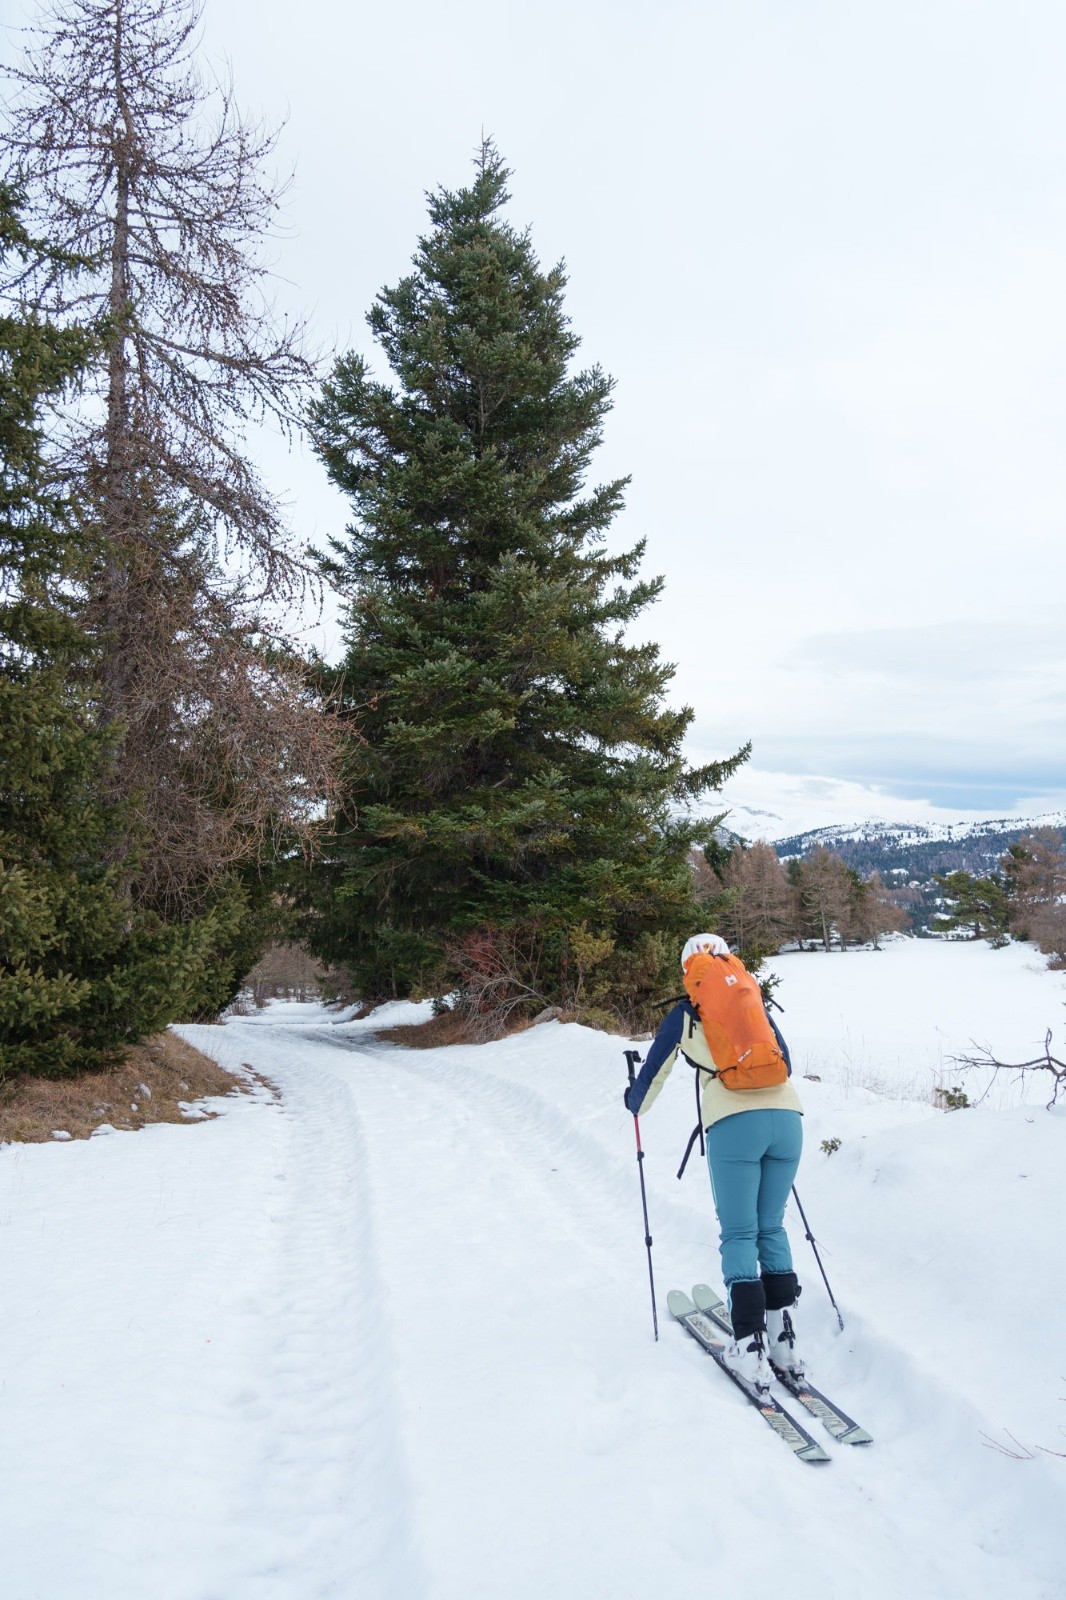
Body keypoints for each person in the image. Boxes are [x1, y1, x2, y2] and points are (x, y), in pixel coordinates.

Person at [624, 933, 806, 1390]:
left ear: (690, 972)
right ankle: (784, 1340)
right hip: (788, 1119)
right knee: (772, 1227)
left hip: (734, 1125)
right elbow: (786, 1062)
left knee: (740, 1233)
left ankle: (748, 1347)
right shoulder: (752, 1004)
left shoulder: (686, 1015)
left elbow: (649, 1083)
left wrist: (632, 1099)